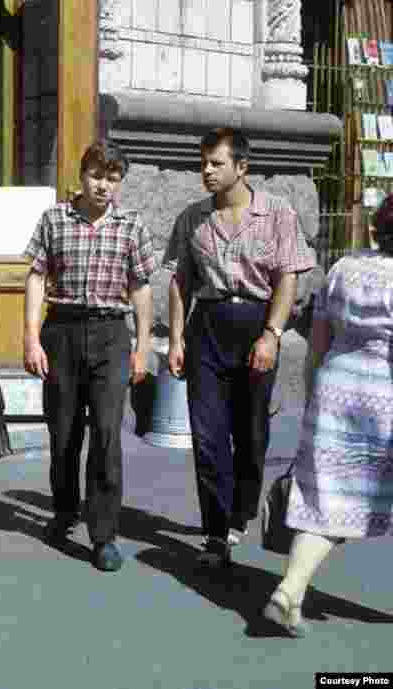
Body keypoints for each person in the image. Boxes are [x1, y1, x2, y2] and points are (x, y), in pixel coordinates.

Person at [164, 128, 316, 568]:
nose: (206, 171)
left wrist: (271, 334)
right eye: (203, 163)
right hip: (207, 327)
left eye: (216, 163)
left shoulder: (277, 214)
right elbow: (180, 280)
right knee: (208, 437)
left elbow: (288, 276)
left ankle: (241, 513)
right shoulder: (192, 218)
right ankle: (215, 533)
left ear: (241, 167)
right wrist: (175, 339)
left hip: (254, 325)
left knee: (250, 435)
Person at [22, 140, 156, 572]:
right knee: (63, 433)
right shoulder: (55, 219)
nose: (103, 186)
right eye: (96, 175)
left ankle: (103, 534)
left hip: (110, 334)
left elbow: (140, 287)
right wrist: (30, 338)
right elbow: (37, 277)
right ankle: (64, 510)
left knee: (106, 434)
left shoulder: (131, 227)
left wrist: (142, 346)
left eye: (113, 178)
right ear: (82, 175)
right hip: (61, 330)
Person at [261, 196, 393, 637]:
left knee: (326, 502)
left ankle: (291, 588)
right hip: (383, 397)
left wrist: (316, 393)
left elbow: (318, 341)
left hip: (335, 391)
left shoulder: (344, 268)